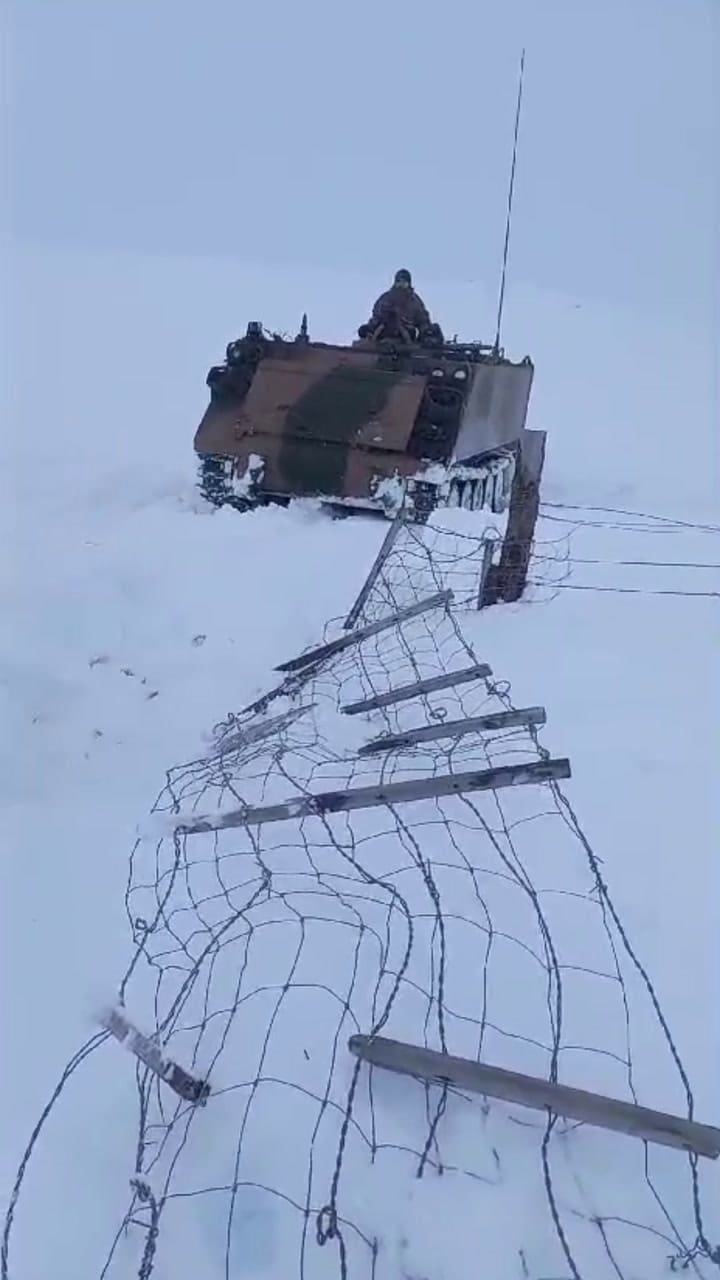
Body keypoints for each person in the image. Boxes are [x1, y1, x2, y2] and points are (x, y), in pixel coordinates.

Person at [358, 269, 443, 344]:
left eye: (404, 282)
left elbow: (423, 319)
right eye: (399, 281)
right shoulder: (386, 298)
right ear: (395, 282)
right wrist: (370, 328)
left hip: (406, 337)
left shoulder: (414, 301)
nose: (401, 284)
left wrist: (427, 333)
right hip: (384, 333)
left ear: (409, 283)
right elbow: (377, 317)